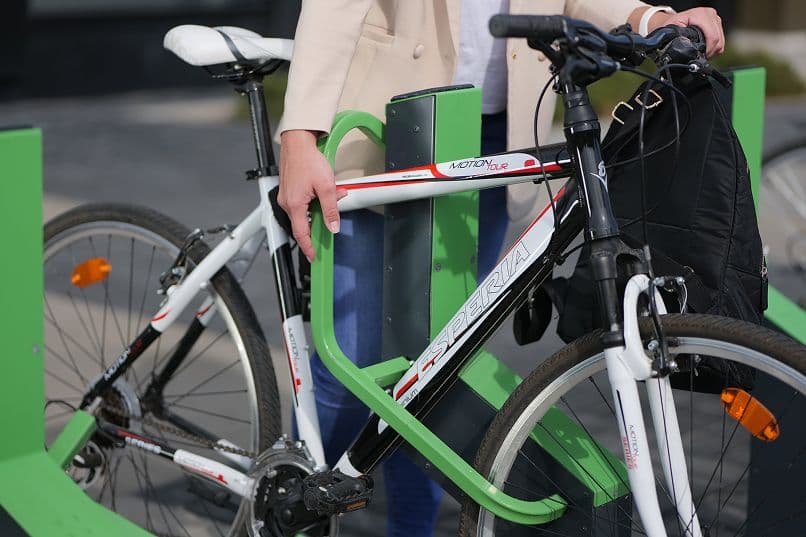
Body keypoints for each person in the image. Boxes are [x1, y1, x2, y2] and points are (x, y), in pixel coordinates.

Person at [277, 2, 724, 536]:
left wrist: (648, 17)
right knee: (352, 361)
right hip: (383, 120)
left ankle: (412, 530)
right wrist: (299, 135)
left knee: (433, 365)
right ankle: (287, 509)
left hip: (489, 126)